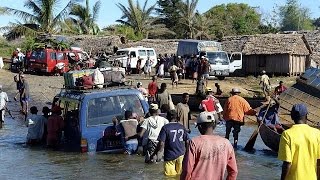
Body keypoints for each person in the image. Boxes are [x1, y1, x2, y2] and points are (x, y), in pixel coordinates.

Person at [180, 112, 238, 180]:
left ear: (200, 126)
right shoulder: (226, 143)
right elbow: (233, 171)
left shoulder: (194, 142)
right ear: (214, 125)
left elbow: (187, 170)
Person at [278, 104, 320, 180]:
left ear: (292, 117)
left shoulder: (287, 134)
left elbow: (287, 164)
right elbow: (319, 162)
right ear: (306, 116)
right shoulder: (317, 133)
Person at [152, 110, 189, 176]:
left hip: (169, 156)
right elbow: (187, 142)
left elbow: (161, 144)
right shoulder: (181, 127)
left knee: (169, 177)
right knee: (180, 175)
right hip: (181, 155)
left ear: (167, 117)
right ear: (176, 117)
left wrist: (155, 154)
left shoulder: (165, 128)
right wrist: (187, 154)